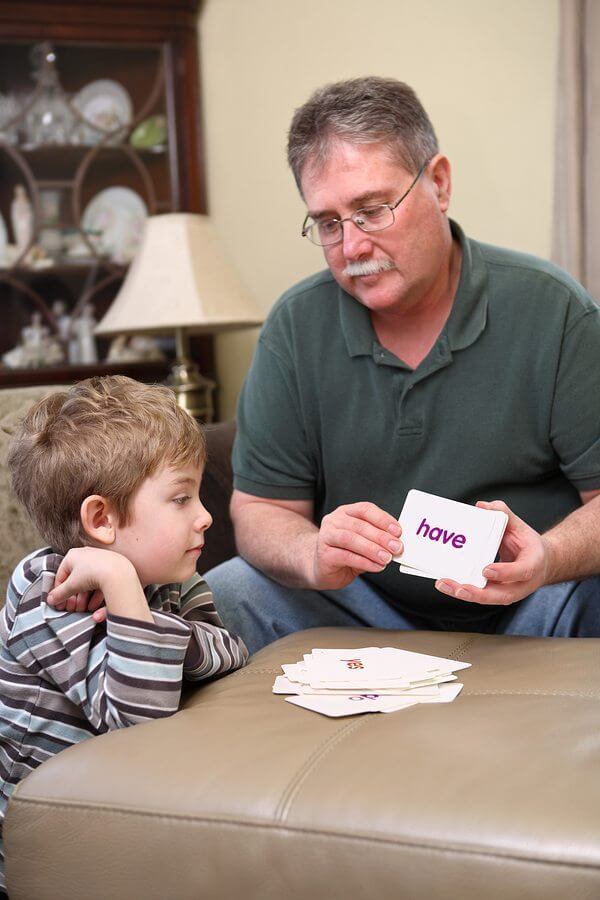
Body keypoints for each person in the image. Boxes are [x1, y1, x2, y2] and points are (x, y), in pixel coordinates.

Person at [204, 76, 600, 653]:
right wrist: (310, 554)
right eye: (329, 223)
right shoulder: (295, 325)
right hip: (366, 608)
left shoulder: (553, 308)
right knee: (230, 590)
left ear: (439, 184)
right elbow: (263, 510)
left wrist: (550, 559)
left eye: (372, 210)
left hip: (533, 604)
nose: (353, 246)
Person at [0, 376, 248, 897]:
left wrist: (141, 613)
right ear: (102, 518)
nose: (205, 517)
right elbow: (138, 719)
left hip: (122, 803)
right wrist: (120, 585)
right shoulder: (46, 597)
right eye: (181, 498)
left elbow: (231, 651)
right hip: (38, 843)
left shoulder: (172, 580)